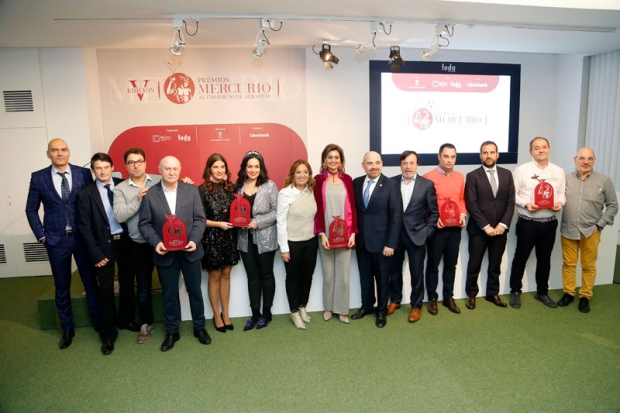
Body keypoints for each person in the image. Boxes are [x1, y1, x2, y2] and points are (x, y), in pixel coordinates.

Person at [25, 138, 100, 349]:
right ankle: (67, 327)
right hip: (56, 240)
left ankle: (97, 321)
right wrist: (41, 236)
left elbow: (94, 201)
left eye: (63, 149)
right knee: (61, 285)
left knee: (90, 282)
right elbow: (31, 209)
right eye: (55, 150)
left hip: (83, 238)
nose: (60, 153)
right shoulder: (38, 178)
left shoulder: (83, 174)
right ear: (48, 154)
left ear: (69, 152)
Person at [138, 156, 210, 352]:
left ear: (180, 170)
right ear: (159, 170)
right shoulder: (150, 194)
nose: (171, 172)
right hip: (165, 253)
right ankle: (172, 332)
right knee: (169, 295)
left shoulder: (191, 190)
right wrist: (157, 242)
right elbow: (144, 224)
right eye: (167, 169)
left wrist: (194, 241)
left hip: (190, 251)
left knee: (194, 291)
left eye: (175, 168)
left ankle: (199, 327)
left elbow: (199, 219)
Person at [77, 153, 129, 355]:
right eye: (98, 168)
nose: (103, 171)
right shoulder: (85, 194)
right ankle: (108, 334)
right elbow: (84, 229)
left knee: (127, 283)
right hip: (102, 248)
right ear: (93, 170)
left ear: (112, 167)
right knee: (106, 291)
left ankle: (125, 320)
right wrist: (96, 254)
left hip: (125, 243)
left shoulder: (123, 185)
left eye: (106, 167)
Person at [508, 137, 566, 309]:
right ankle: (515, 291)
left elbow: (562, 193)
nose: (540, 150)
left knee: (544, 259)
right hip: (528, 222)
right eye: (536, 148)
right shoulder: (521, 170)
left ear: (549, 148)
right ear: (530, 151)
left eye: (543, 147)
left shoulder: (558, 171)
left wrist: (559, 203)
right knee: (520, 258)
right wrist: (526, 204)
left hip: (549, 222)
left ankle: (542, 292)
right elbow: (513, 194)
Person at [558, 147, 617, 313]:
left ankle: (585, 296)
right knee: (568, 264)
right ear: (575, 159)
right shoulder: (566, 179)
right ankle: (569, 293)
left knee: (588, 266)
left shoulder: (604, 180)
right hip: (568, 229)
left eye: (589, 158)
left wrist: (600, 225)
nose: (585, 162)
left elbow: (613, 205)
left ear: (594, 160)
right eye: (582, 158)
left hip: (591, 231)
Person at [352, 151, 402, 328]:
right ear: (363, 165)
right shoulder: (356, 183)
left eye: (377, 163)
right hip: (361, 242)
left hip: (382, 244)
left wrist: (391, 243)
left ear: (382, 164)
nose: (374, 166)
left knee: (382, 279)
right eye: (370, 163)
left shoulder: (391, 185)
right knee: (365, 277)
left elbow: (396, 216)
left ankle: (381, 311)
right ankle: (367, 306)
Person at [113, 147, 159, 344]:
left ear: (145, 162)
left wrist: (187, 183)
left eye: (139, 161)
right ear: (126, 166)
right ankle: (146, 324)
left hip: (162, 242)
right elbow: (119, 215)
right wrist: (138, 200)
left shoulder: (159, 179)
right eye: (131, 162)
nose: (136, 165)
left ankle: (174, 323)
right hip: (139, 244)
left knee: (169, 283)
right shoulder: (120, 188)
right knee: (143, 286)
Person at [464, 141, 515, 310]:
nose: (488, 156)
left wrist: (503, 224)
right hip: (479, 230)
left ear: (497, 154)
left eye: (492, 152)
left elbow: (510, 202)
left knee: (495, 264)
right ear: (480, 155)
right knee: (474, 264)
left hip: (500, 230)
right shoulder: (472, 176)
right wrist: (485, 226)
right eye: (485, 153)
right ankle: (471, 295)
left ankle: (492, 293)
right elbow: (471, 203)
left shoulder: (507, 174)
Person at [388, 150, 438, 323]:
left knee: (416, 274)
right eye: (404, 163)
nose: (408, 166)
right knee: (394, 271)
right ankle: (395, 300)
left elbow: (434, 213)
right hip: (394, 236)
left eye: (411, 163)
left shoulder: (427, 184)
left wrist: (426, 232)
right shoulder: (391, 182)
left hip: (417, 236)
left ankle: (416, 305)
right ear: (400, 164)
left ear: (417, 165)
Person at [314, 144, 357, 324]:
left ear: (341, 161)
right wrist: (321, 233)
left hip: (345, 235)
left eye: (336, 157)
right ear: (324, 160)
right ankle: (328, 308)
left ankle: (342, 309)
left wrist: (353, 232)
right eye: (330, 157)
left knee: (343, 275)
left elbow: (353, 208)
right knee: (328, 274)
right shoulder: (317, 180)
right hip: (325, 235)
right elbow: (316, 209)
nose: (333, 160)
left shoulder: (347, 179)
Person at [235, 150, 278, 331]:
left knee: (266, 275)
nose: (253, 170)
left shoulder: (269, 186)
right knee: (252, 277)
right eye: (250, 166)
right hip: (244, 240)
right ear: (245, 167)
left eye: (256, 166)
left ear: (261, 168)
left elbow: (276, 212)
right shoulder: (237, 187)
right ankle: (255, 314)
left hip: (265, 238)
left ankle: (266, 313)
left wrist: (257, 223)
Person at [423, 143, 467, 315]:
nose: (449, 160)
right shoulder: (428, 177)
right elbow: (425, 204)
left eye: (453, 157)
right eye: (446, 156)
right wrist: (433, 220)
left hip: (455, 228)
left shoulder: (460, 177)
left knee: (451, 264)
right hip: (436, 229)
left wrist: (463, 214)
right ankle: (432, 299)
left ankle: (448, 297)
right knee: (433, 265)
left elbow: (462, 199)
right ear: (439, 157)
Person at [198, 153, 239, 333]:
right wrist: (218, 224)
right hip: (212, 238)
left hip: (229, 237)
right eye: (216, 167)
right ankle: (216, 314)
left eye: (222, 167)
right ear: (209, 169)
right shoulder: (201, 190)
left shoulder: (231, 188)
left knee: (226, 274)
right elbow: (199, 219)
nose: (219, 170)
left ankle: (226, 313)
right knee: (214, 276)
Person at [277, 160, 318, 330]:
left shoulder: (311, 192)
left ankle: (302, 306)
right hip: (293, 243)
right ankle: (293, 311)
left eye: (305, 172)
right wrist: (284, 248)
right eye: (298, 172)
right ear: (292, 175)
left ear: (309, 175)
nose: (302, 175)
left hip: (310, 241)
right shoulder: (285, 193)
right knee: (293, 278)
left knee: (307, 276)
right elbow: (280, 222)